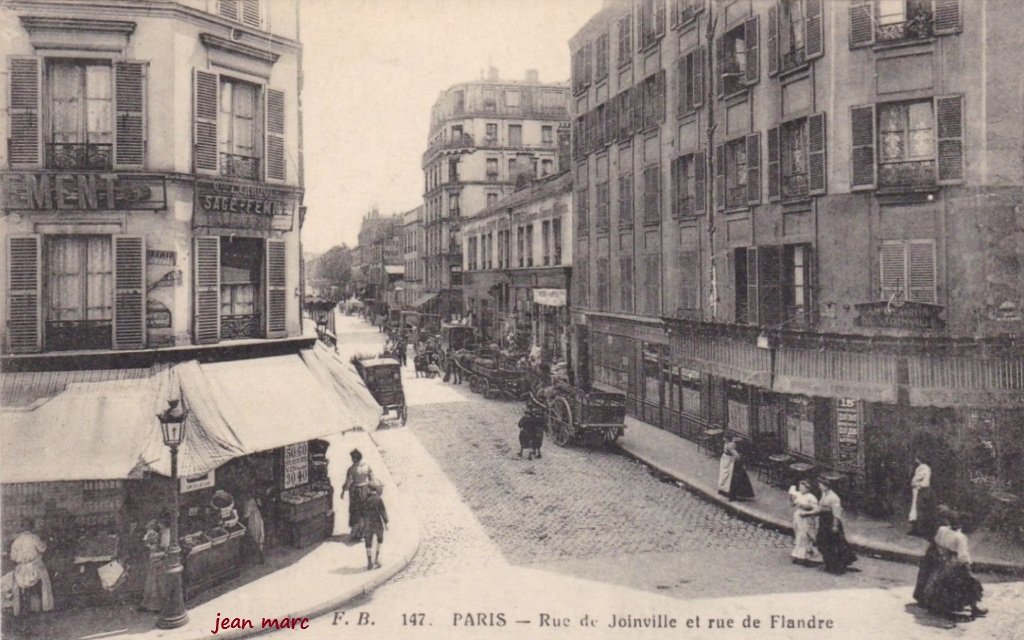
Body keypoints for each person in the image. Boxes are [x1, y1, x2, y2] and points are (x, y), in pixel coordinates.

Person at [915, 511, 987, 621]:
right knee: (971, 582)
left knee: (936, 580)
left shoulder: (942, 529)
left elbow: (936, 541)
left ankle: (934, 603)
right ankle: (974, 607)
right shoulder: (960, 537)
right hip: (953, 563)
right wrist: (967, 566)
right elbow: (963, 556)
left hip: (940, 560)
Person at [809, 477, 857, 574]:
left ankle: (836, 565)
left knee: (833, 544)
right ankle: (829, 563)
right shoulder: (824, 494)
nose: (819, 487)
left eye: (821, 485)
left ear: (826, 486)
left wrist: (834, 526)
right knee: (822, 541)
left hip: (830, 521)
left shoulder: (834, 498)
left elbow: (836, 514)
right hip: (823, 520)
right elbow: (821, 507)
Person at [9, 521, 54, 616]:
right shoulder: (34, 538)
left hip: (21, 570)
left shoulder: (16, 541)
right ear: (32, 527)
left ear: (22, 528)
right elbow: (43, 549)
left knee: (17, 585)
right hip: (35, 568)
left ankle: (19, 610)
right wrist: (45, 542)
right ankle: (45, 607)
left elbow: (12, 557)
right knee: (45, 582)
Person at [341, 449, 374, 541]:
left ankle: (355, 532)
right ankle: (364, 531)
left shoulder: (352, 469)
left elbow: (348, 482)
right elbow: (372, 478)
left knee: (355, 511)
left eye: (352, 458)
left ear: (355, 458)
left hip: (355, 492)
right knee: (364, 511)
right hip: (365, 490)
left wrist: (344, 490)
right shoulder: (367, 465)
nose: (352, 460)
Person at [140, 515, 170, 612]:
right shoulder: (162, 532)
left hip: (161, 562)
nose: (158, 525)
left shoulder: (167, 534)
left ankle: (159, 606)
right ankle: (151, 605)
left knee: (157, 585)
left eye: (160, 523)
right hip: (157, 561)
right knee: (152, 584)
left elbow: (167, 551)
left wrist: (155, 554)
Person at [788, 480, 821, 566]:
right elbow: (792, 505)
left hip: (806, 518)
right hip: (798, 518)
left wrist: (803, 506)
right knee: (799, 535)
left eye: (802, 487)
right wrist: (791, 497)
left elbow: (815, 508)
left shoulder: (811, 497)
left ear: (807, 488)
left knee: (804, 536)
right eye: (799, 487)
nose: (800, 489)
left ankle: (803, 556)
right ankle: (799, 555)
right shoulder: (799, 495)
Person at [360, 480, 389, 570]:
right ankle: (376, 559)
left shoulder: (365, 500)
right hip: (377, 523)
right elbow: (383, 512)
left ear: (369, 489)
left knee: (368, 543)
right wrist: (386, 523)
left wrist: (362, 525)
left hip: (368, 524)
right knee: (380, 540)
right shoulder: (378, 499)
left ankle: (369, 562)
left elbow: (362, 513)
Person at [717, 436, 755, 501]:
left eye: (724, 438)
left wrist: (737, 456)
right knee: (732, 478)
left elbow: (735, 454)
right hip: (729, 463)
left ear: (726, 439)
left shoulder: (729, 445)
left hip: (729, 463)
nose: (723, 439)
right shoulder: (729, 445)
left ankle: (728, 492)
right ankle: (733, 494)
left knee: (729, 477)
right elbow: (736, 455)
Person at [909, 455, 936, 537]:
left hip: (920, 489)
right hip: (920, 489)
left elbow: (919, 477)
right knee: (917, 509)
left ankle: (920, 529)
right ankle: (916, 528)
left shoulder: (923, 467)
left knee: (919, 509)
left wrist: (914, 481)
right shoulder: (925, 467)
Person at [242, 495, 266, 564]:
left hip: (253, 521)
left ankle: (260, 556)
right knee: (260, 538)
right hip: (259, 519)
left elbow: (246, 515)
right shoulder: (255, 500)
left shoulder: (249, 502)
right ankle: (261, 556)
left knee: (255, 538)